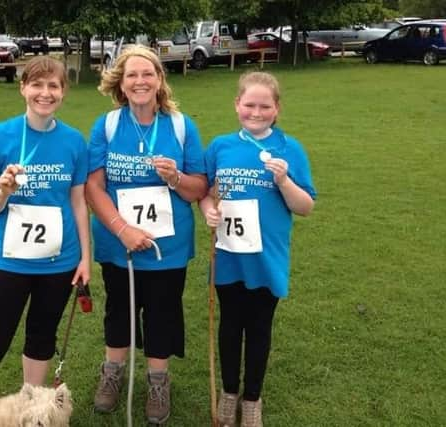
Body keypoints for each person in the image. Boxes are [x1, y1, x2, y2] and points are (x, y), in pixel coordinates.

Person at [0, 56, 90, 414]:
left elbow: (78, 204)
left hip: (60, 262)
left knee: (42, 340)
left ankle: (32, 414)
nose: (45, 93)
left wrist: (86, 259)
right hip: (9, 261)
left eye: (53, 85)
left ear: (63, 92)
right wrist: (3, 192)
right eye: (37, 84)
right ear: (23, 87)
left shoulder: (74, 141)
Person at [85, 45, 207, 424]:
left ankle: (157, 380)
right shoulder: (107, 124)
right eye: (132, 74)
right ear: (121, 82)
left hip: (167, 246)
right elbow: (93, 186)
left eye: (147, 74)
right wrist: (122, 229)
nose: (140, 81)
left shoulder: (181, 125)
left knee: (162, 312)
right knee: (119, 309)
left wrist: (175, 178)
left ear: (159, 80)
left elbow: (198, 187)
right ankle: (112, 373)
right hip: (118, 242)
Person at [199, 71, 316, 427]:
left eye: (265, 106)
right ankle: (230, 392)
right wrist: (208, 211)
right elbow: (207, 192)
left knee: (260, 327)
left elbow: (305, 206)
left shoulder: (289, 148)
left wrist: (283, 180)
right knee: (231, 325)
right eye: (249, 104)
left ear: (276, 109)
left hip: (267, 256)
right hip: (230, 255)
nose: (256, 112)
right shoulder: (220, 146)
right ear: (237, 105)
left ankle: (252, 398)